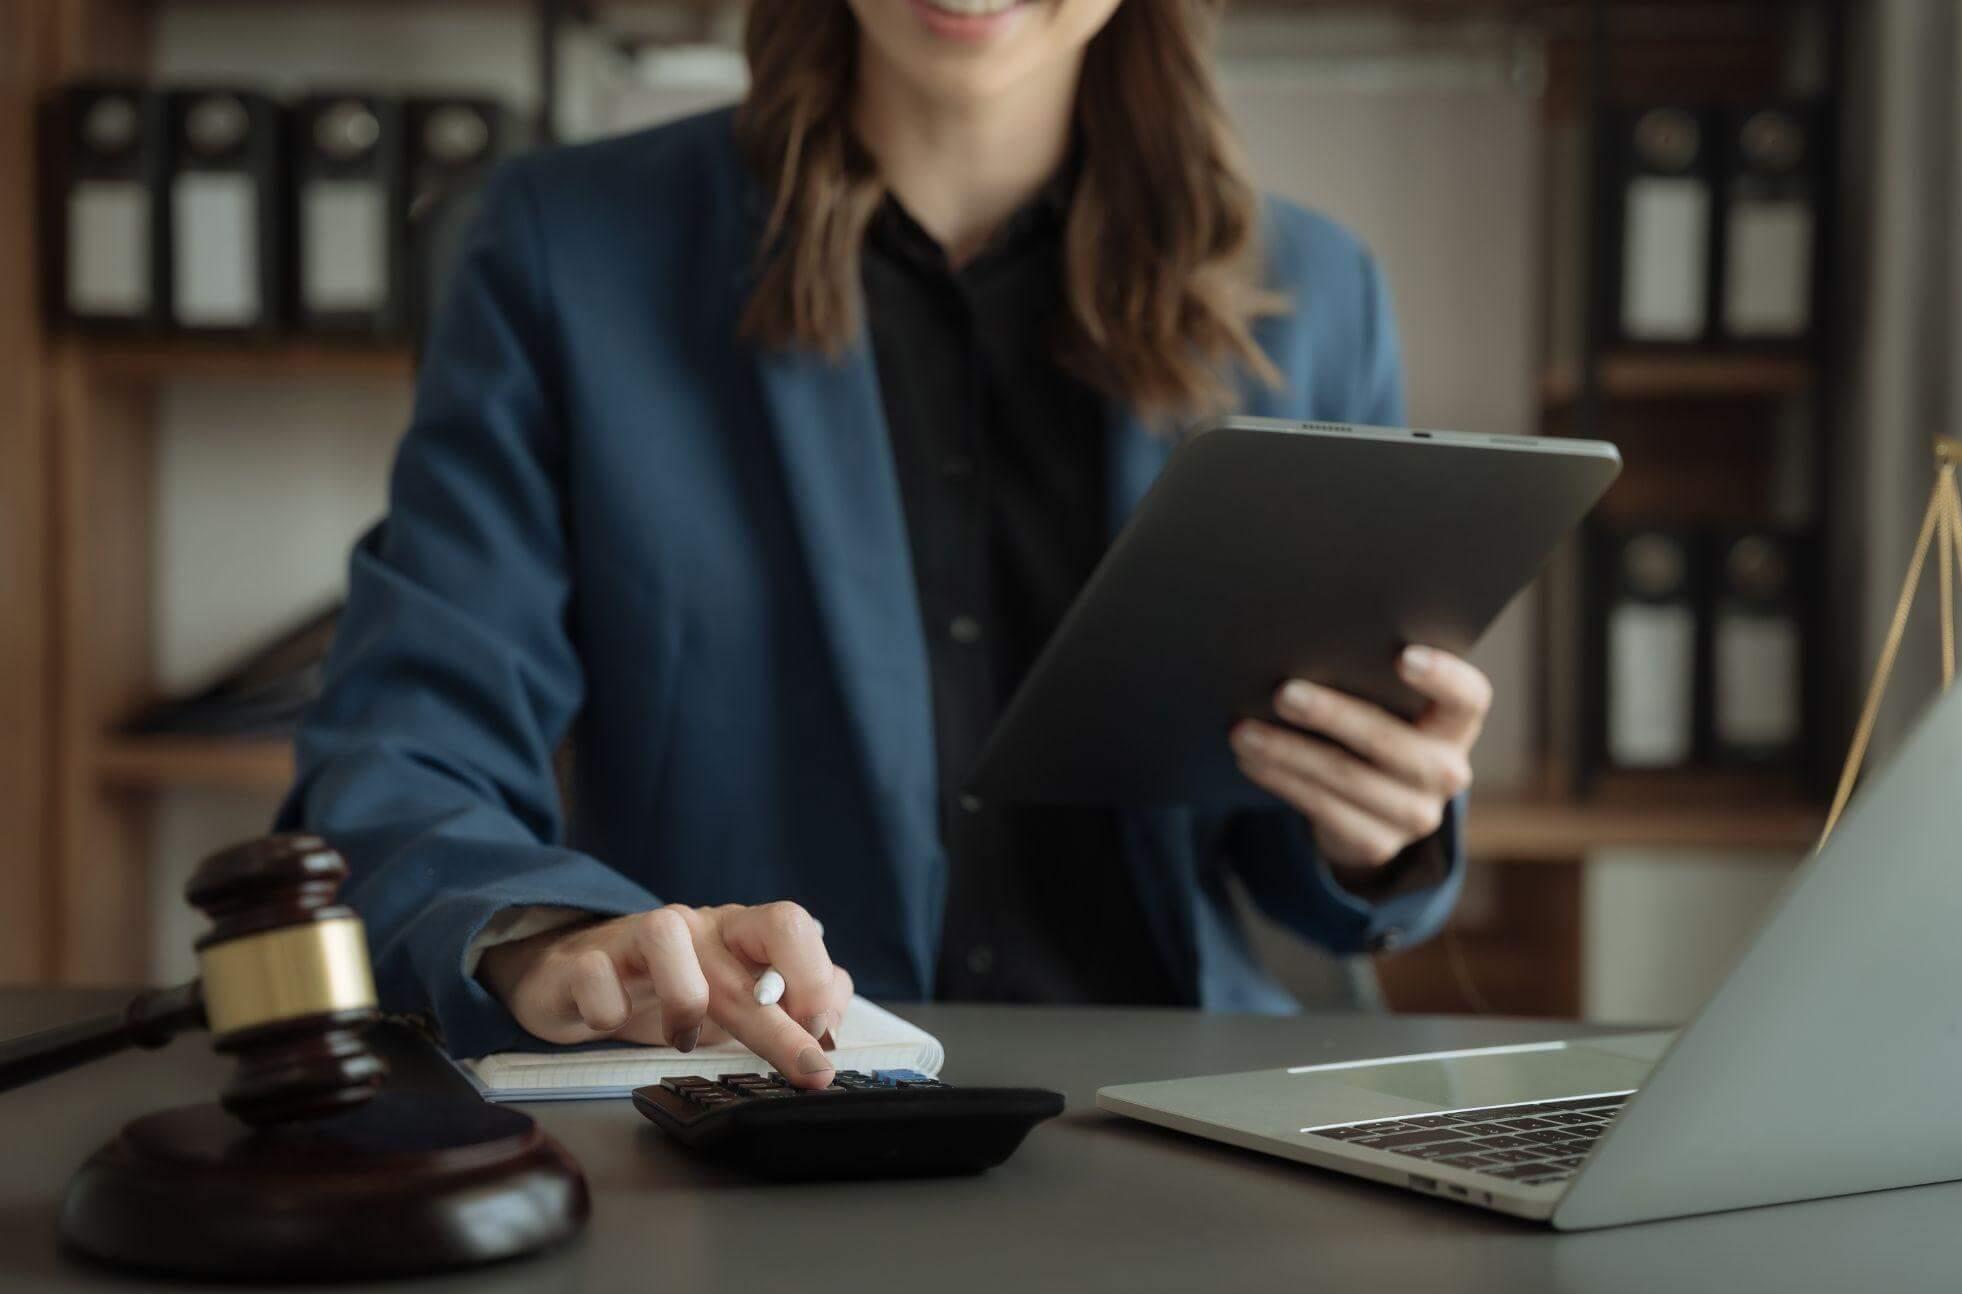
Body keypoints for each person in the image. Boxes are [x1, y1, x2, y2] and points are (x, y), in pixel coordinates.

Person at [280, 0, 1493, 1086]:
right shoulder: (569, 251)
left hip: (1172, 1111)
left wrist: (1372, 826)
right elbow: (402, 750)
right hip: (747, 1103)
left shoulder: (1314, 291)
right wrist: (546, 935)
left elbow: (1305, 873)